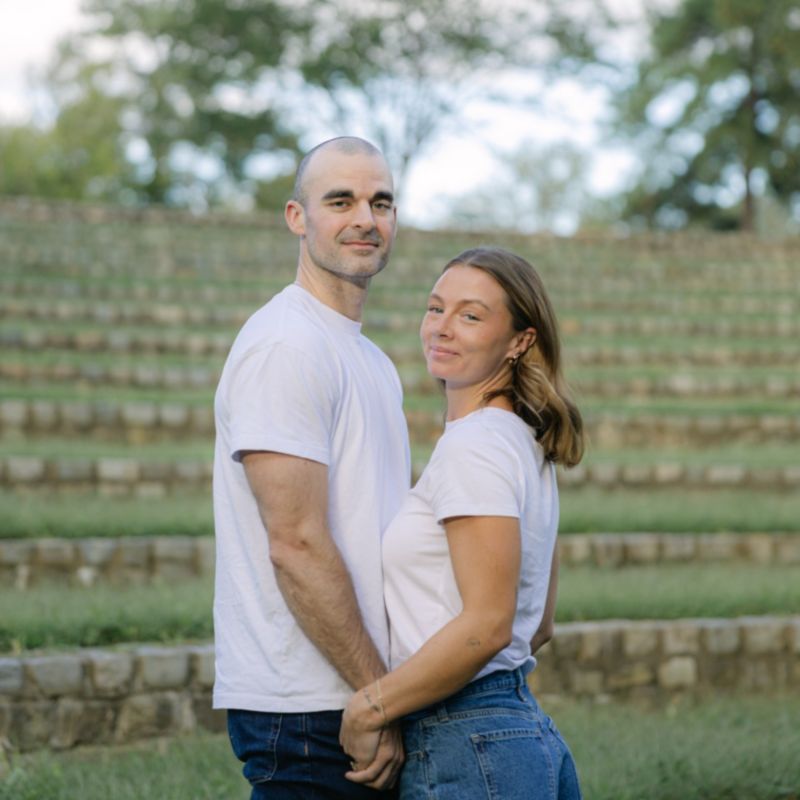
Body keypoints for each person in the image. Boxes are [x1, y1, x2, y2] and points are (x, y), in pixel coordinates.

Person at [340, 246, 585, 799]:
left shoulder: (475, 446)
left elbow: (490, 624)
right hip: (512, 731)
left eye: (470, 315)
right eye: (435, 308)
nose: (442, 327)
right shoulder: (521, 443)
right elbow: (539, 624)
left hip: (465, 739)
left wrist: (369, 707)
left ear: (520, 341)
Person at [212, 136, 411, 798]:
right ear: (297, 217)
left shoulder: (369, 359)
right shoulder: (286, 345)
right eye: (341, 201)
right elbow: (295, 543)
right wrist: (377, 695)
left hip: (358, 692)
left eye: (381, 202)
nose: (366, 219)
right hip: (309, 708)